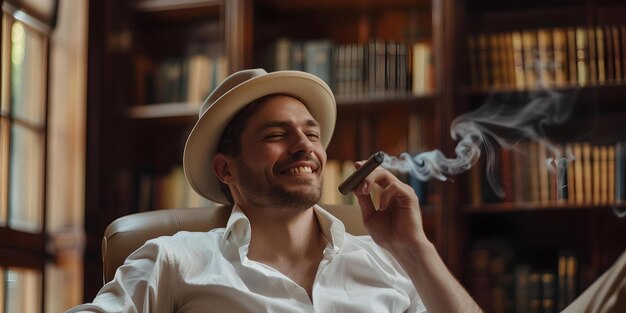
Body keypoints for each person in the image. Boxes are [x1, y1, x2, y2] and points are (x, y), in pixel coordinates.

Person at [67, 69, 482, 312]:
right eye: (276, 134)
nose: (305, 146)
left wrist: (415, 248)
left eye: (312, 133)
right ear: (226, 169)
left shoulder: (387, 262)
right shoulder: (174, 260)